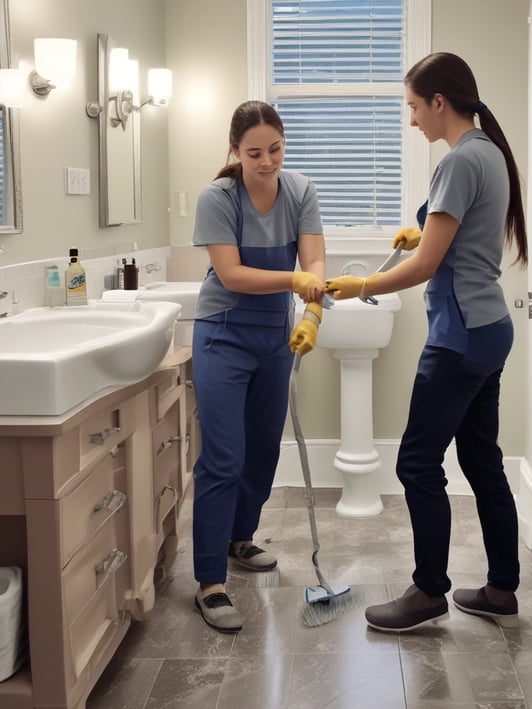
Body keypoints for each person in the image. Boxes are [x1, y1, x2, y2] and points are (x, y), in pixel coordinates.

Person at [325, 53, 528, 632]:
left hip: (459, 336)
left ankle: (428, 591)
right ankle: (501, 589)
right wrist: (422, 227)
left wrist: (360, 283)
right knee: (482, 460)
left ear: (440, 101)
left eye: (414, 106)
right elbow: (457, 239)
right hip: (489, 330)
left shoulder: (460, 161)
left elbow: (426, 266)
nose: (412, 119)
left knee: (417, 461)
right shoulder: (486, 150)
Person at [191, 100, 326, 633]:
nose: (267, 161)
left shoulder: (300, 190)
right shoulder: (218, 198)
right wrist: (296, 283)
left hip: (275, 338)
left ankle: (239, 539)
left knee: (263, 448)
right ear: (235, 152)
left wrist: (312, 313)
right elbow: (231, 275)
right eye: (254, 153)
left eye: (275, 149)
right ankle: (209, 583)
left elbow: (314, 260)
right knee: (224, 457)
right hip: (223, 334)